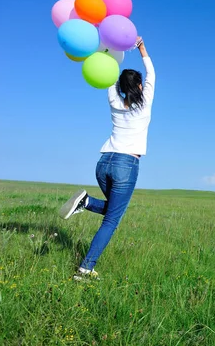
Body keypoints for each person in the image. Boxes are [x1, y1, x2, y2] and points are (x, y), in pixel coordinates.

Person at [58, 37, 155, 281]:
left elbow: (110, 77)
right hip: (126, 165)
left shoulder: (113, 100)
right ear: (140, 86)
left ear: (121, 86)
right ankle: (86, 267)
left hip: (104, 163)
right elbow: (151, 72)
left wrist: (110, 51)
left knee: (113, 211)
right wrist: (141, 47)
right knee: (112, 219)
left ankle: (87, 202)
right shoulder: (144, 106)